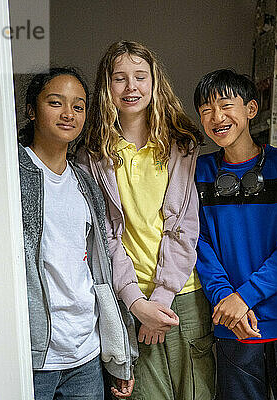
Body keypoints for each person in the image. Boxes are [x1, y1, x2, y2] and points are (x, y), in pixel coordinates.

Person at [76, 41, 215, 400]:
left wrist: (163, 298)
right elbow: (104, 236)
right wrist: (138, 303)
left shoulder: (181, 146)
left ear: (154, 82)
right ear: (107, 87)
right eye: (119, 79)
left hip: (182, 296)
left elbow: (184, 227)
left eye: (140, 76)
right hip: (130, 299)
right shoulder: (93, 154)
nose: (131, 87)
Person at [193, 69, 277, 400]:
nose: (216, 116)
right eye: (206, 109)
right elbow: (199, 243)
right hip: (230, 322)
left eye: (225, 105)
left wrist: (244, 297)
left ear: (250, 109)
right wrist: (227, 299)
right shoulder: (201, 172)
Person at [17, 67, 136, 400]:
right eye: (56, 103)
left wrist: (121, 358)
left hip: (85, 353)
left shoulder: (84, 182)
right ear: (31, 110)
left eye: (78, 106)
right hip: (35, 354)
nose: (68, 114)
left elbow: (99, 269)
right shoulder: (11, 171)